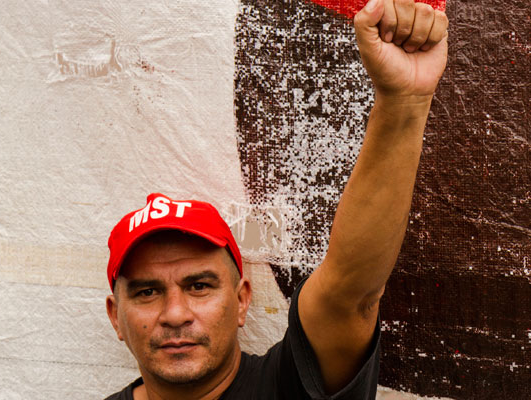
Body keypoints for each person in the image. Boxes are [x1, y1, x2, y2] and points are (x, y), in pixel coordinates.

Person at [104, 0, 449, 398]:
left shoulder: (289, 387)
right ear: (116, 316)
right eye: (147, 292)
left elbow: (349, 292)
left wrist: (403, 102)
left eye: (199, 286)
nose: (176, 314)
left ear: (241, 300)